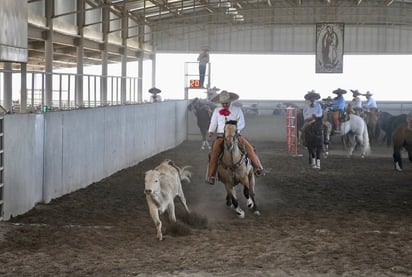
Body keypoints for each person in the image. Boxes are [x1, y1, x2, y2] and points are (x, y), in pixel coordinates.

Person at [206, 90, 264, 185]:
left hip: (235, 135)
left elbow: (242, 123)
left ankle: (257, 167)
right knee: (214, 152)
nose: (224, 105)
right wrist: (211, 131)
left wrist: (235, 130)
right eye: (223, 103)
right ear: (220, 102)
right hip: (221, 136)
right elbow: (213, 122)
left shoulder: (237, 110)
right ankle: (211, 175)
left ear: (230, 101)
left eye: (226, 103)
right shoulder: (216, 111)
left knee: (249, 147)